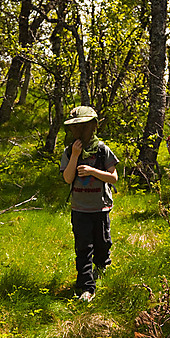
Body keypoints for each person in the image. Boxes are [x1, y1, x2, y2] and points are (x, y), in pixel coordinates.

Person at [59, 106, 119, 302]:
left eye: (84, 127)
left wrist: (93, 172)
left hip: (100, 207)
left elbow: (113, 178)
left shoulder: (102, 150)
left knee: (102, 243)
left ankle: (102, 265)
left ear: (93, 127)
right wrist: (75, 157)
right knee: (83, 248)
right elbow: (67, 179)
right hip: (79, 209)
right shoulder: (69, 152)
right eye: (76, 128)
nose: (79, 132)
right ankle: (86, 287)